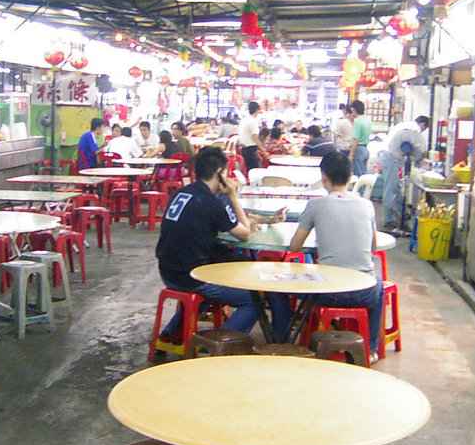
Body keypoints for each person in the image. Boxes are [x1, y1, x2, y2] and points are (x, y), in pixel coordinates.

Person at [156, 147, 290, 341]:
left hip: (168, 270)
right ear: (219, 173)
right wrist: (233, 195)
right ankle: (219, 343)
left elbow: (230, 219)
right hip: (192, 277)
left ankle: (171, 333)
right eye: (226, 173)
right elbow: (244, 233)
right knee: (254, 300)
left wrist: (266, 220)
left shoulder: (183, 193)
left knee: (210, 292)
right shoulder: (212, 201)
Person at [289, 151, 383, 360]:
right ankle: (372, 349)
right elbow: (373, 247)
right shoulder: (367, 205)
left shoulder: (315, 205)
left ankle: (297, 338)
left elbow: (295, 247)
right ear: (351, 178)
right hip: (364, 292)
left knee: (297, 279)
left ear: (323, 178)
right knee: (379, 286)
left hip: (328, 292)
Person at [381, 115, 429, 230]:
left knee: (396, 188)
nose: (422, 131)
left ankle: (400, 215)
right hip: (391, 157)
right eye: (424, 129)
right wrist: (418, 158)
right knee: (390, 188)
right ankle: (389, 220)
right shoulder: (413, 129)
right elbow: (416, 147)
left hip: (392, 156)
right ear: (422, 124)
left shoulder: (406, 125)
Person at [238, 102, 268, 170]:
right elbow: (255, 137)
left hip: (243, 148)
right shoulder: (253, 121)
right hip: (250, 150)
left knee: (249, 169)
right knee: (254, 170)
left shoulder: (244, 120)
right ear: (257, 110)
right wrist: (263, 150)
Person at [349, 100, 373, 177]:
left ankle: (359, 189)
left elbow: (356, 139)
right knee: (363, 174)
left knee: (358, 176)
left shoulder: (358, 121)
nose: (352, 113)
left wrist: (351, 154)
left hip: (358, 150)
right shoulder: (367, 120)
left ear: (354, 109)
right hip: (366, 149)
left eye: (352, 110)